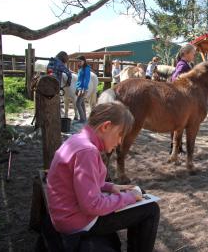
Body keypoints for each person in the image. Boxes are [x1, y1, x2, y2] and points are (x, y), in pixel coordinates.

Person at [47, 102, 160, 251]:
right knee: (150, 209)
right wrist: (129, 198)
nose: (120, 142)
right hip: (76, 222)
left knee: (139, 195)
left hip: (65, 215)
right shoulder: (87, 151)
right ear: (106, 127)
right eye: (120, 134)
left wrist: (111, 187)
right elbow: (92, 205)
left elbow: (80, 183)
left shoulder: (78, 140)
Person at [169, 44, 196, 154]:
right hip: (180, 97)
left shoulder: (183, 64)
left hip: (179, 97)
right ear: (186, 54)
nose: (194, 55)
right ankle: (175, 147)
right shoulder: (183, 65)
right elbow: (175, 78)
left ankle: (177, 147)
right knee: (178, 124)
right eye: (193, 53)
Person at [75, 55, 91, 123]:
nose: (79, 62)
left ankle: (82, 119)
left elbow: (86, 79)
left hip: (83, 88)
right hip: (79, 87)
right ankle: (84, 117)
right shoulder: (81, 68)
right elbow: (79, 79)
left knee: (77, 103)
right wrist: (77, 88)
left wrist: (83, 89)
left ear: (84, 61)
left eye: (80, 61)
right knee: (81, 103)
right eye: (78, 61)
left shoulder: (86, 68)